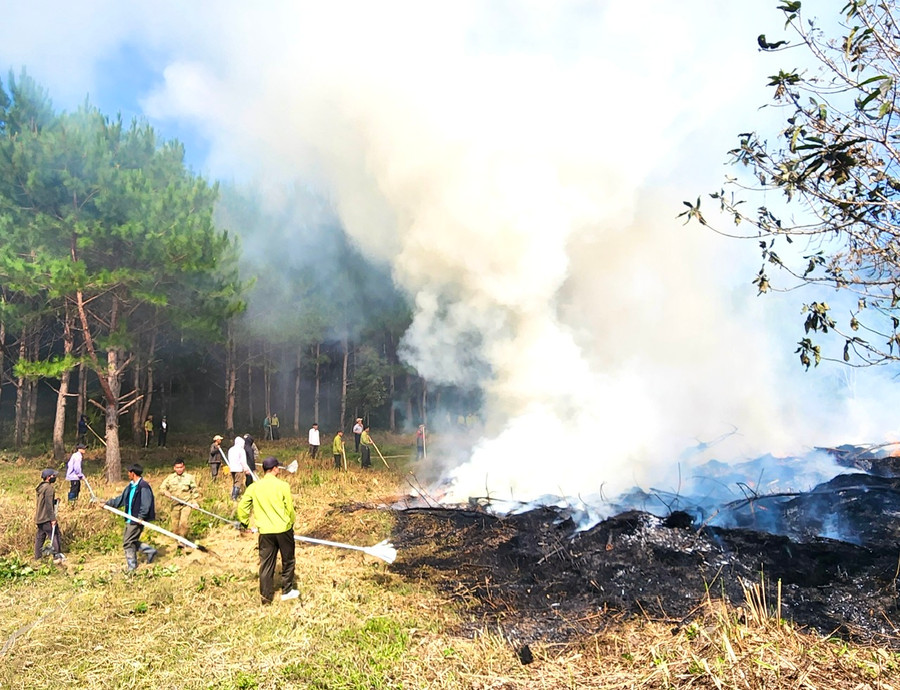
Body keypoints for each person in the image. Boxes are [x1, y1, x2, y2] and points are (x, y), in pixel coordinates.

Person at [238, 456, 298, 605]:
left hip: (265, 532)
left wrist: (244, 522)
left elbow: (242, 507)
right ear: (275, 469)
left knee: (266, 564)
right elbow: (289, 509)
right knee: (288, 560)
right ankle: (287, 591)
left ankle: (266, 598)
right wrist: (291, 522)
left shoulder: (254, 487)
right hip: (283, 529)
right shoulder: (283, 486)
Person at [104, 464, 157, 571]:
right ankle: (149, 550)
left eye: (129, 472)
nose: (128, 474)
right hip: (129, 518)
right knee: (131, 541)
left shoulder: (143, 486)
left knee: (127, 542)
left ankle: (132, 567)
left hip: (136, 519)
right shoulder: (130, 486)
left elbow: (146, 503)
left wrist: (141, 517)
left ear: (133, 473)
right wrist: (107, 503)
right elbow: (121, 500)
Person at [159, 458, 200, 537]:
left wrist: (194, 502)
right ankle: (177, 539)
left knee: (183, 523)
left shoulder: (189, 477)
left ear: (184, 467)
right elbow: (162, 488)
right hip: (175, 505)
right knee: (175, 524)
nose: (179, 469)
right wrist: (165, 492)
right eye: (177, 468)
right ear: (174, 468)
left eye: (181, 467)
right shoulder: (170, 478)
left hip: (186, 503)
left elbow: (194, 491)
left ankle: (182, 540)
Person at [35, 468, 62, 561]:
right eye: (53, 476)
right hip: (46, 517)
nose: (55, 477)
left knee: (40, 537)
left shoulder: (41, 487)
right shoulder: (49, 488)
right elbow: (48, 505)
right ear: (48, 477)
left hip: (39, 517)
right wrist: (53, 519)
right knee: (54, 535)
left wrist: (54, 501)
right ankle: (57, 556)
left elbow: (45, 501)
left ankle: (37, 557)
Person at [226, 435, 251, 500]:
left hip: (232, 468)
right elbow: (243, 461)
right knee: (238, 483)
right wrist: (246, 469)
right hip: (239, 469)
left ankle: (233, 495)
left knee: (234, 482)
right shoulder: (241, 450)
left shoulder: (231, 449)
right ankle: (234, 497)